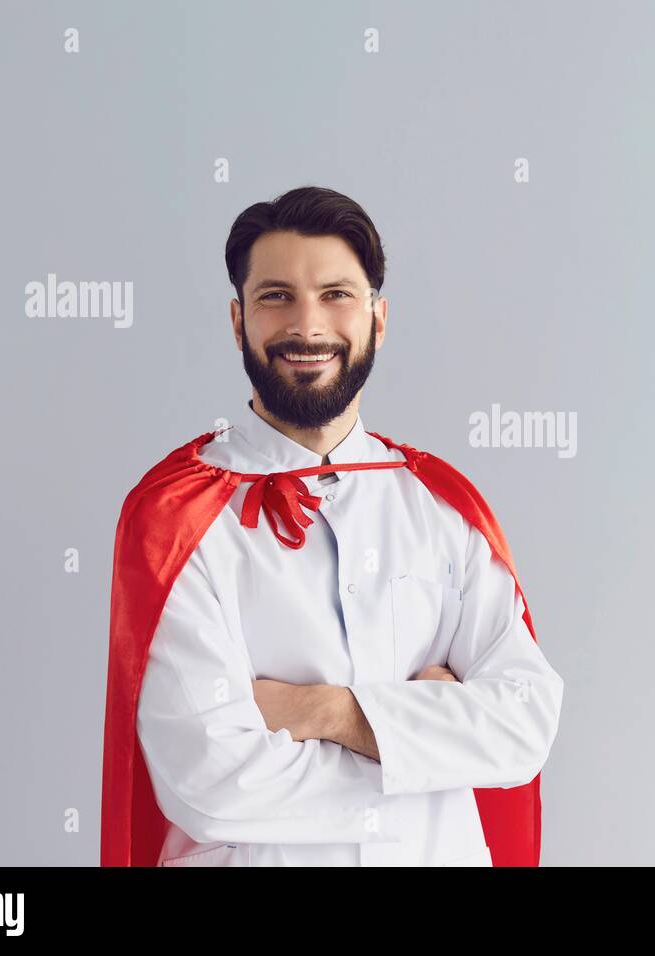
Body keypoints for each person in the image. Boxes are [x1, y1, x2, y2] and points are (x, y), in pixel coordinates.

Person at [101, 186, 563, 866]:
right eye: (276, 295)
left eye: (337, 294)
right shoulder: (179, 517)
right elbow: (213, 785)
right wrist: (429, 751)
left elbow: (524, 727)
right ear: (238, 321)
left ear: (379, 317)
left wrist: (325, 714)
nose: (307, 325)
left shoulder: (441, 505)